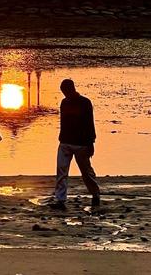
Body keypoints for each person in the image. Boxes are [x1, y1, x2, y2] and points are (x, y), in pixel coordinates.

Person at [50, 78, 100, 210]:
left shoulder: (85, 103)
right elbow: (63, 122)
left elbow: (90, 123)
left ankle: (95, 194)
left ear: (71, 89)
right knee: (61, 171)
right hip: (65, 142)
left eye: (66, 91)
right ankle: (60, 199)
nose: (65, 94)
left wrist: (91, 142)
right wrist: (61, 137)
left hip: (81, 143)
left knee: (86, 171)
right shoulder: (64, 103)